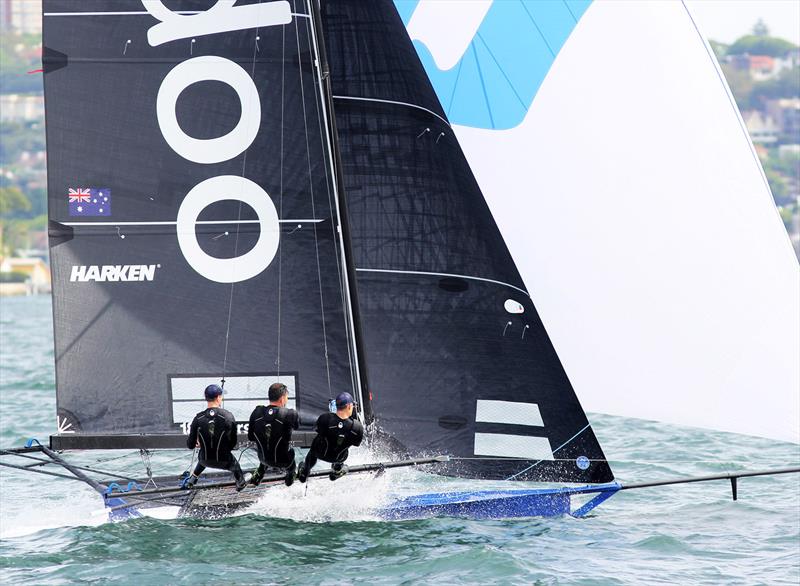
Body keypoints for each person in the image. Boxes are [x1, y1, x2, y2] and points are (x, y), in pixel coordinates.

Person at [182, 384, 246, 491]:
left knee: (204, 455)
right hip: (224, 461)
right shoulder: (228, 416)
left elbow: (190, 445)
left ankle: (192, 480)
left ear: (206, 397)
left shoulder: (198, 418)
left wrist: (200, 442)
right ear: (218, 397)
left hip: (204, 460)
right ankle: (240, 483)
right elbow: (233, 444)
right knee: (234, 465)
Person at [298, 392, 364, 482]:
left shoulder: (324, 418)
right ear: (349, 406)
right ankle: (337, 471)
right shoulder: (357, 427)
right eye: (352, 405)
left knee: (315, 446)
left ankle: (305, 472)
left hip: (319, 453)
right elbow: (356, 443)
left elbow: (318, 430)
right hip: (337, 458)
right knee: (344, 449)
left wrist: (333, 420)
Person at [248, 382, 300, 487]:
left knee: (266, 446)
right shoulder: (290, 413)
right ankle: (290, 476)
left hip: (263, 458)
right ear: (282, 399)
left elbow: (251, 437)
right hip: (284, 462)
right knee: (290, 452)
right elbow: (296, 426)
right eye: (287, 397)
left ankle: (259, 474)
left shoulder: (257, 411)